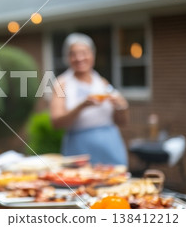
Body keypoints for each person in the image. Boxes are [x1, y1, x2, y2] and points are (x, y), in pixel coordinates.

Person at [50, 33, 129, 166]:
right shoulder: (61, 84)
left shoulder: (102, 82)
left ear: (93, 55)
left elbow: (122, 122)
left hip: (110, 146)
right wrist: (82, 106)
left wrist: (122, 107)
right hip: (78, 149)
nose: (79, 58)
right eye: (73, 54)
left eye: (84, 53)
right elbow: (56, 123)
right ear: (67, 57)